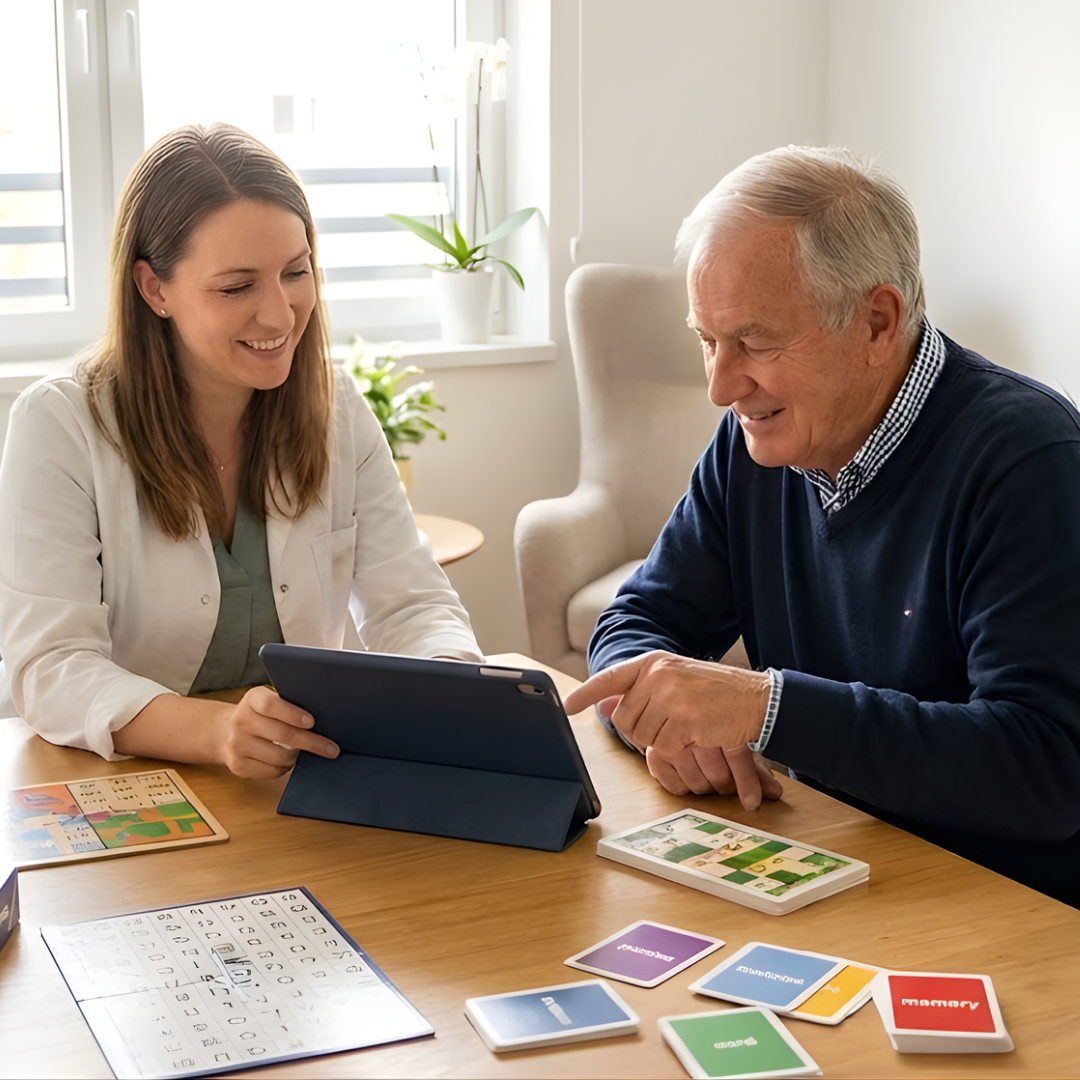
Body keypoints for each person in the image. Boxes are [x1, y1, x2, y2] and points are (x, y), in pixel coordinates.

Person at [563, 145, 1080, 904]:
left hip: (1002, 904)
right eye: (706, 340)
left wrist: (765, 708)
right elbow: (641, 618)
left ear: (877, 321)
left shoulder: (1031, 462)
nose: (719, 386)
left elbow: (1044, 768)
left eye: (754, 342)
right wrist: (658, 723)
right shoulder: (754, 446)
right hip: (834, 857)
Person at [0, 123, 483, 779]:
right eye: (237, 287)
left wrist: (448, 688)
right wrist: (218, 733)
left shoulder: (336, 408)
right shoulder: (59, 423)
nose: (281, 315)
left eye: (296, 272)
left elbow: (412, 606)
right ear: (154, 289)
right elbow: (50, 666)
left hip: (294, 781)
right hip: (121, 780)